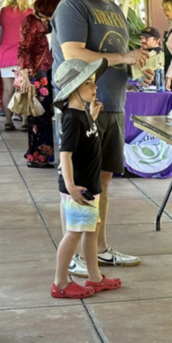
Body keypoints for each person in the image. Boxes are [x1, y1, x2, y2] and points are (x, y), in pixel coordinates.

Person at [51, 0, 149, 276]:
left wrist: (135, 67)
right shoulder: (74, 5)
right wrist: (124, 57)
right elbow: (74, 54)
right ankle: (74, 254)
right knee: (77, 183)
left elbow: (113, 53)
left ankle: (99, 250)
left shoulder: (114, 8)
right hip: (81, 107)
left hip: (113, 102)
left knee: (103, 180)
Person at [50, 57, 122, 299]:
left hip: (90, 186)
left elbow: (86, 143)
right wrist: (71, 186)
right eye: (88, 83)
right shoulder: (72, 118)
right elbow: (66, 155)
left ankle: (95, 277)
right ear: (74, 89)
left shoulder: (82, 113)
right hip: (79, 188)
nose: (95, 86)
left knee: (92, 230)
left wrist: (92, 116)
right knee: (74, 233)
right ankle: (60, 282)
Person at [19, 0, 60, 168]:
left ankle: (43, 155)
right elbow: (24, 49)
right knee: (38, 115)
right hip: (36, 74)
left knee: (46, 114)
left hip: (49, 72)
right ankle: (36, 156)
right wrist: (25, 75)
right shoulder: (30, 22)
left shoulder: (50, 22)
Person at [0, 0, 33, 131]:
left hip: (5, 54)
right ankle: (25, 122)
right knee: (23, 88)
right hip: (23, 55)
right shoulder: (29, 12)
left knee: (7, 90)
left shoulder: (4, 11)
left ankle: (8, 122)